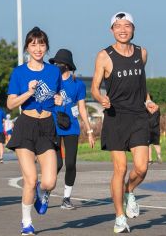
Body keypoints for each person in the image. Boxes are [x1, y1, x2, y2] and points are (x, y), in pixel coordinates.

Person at [91, 12, 158, 233]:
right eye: (118, 26)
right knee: (120, 168)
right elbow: (95, 86)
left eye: (127, 26)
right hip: (115, 118)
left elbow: (141, 83)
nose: (123, 29)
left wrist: (148, 101)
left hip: (138, 116)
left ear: (133, 29)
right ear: (111, 30)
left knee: (141, 167)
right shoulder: (104, 55)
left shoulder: (142, 53)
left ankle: (129, 191)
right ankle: (120, 216)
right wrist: (101, 98)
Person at [6, 26, 62, 235]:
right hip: (26, 126)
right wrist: (28, 92)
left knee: (49, 181)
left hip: (47, 127)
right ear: (27, 48)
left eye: (41, 44)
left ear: (47, 47)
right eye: (33, 44)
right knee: (30, 180)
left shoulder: (53, 71)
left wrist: (59, 100)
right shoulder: (19, 72)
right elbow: (11, 104)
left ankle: (44, 193)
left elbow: (56, 98)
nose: (37, 48)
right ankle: (26, 223)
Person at [49, 49, 95, 210]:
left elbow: (82, 108)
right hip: (53, 126)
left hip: (71, 127)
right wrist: (53, 100)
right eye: (54, 63)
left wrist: (89, 131)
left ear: (67, 65)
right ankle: (46, 192)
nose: (56, 66)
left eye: (59, 63)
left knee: (70, 163)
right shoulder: (51, 81)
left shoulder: (78, 84)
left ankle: (66, 198)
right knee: (57, 163)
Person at [147, 94, 162, 164]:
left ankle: (150, 159)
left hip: (148, 128)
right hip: (156, 128)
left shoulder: (146, 108)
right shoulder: (157, 107)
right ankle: (159, 156)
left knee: (149, 144)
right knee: (156, 143)